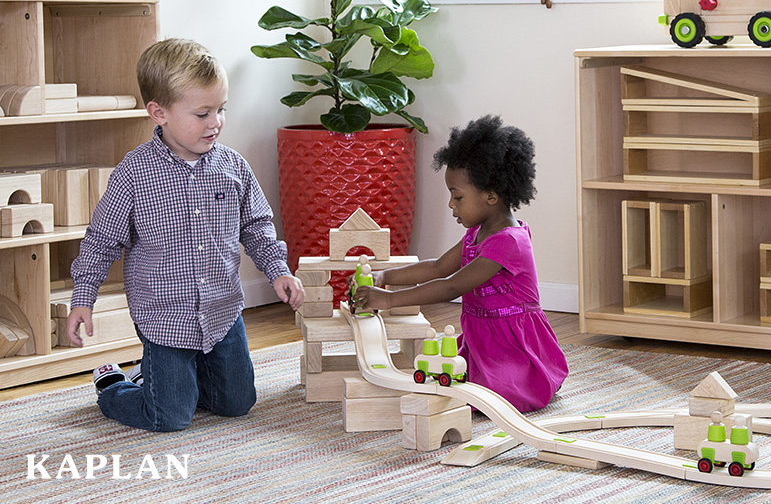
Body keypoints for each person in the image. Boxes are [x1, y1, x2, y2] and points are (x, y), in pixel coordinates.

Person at [67, 38, 305, 432]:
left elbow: (257, 225)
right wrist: (83, 298)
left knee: (237, 404)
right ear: (158, 113)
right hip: (165, 317)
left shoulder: (233, 167)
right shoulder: (134, 174)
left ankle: (168, 380)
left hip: (222, 311)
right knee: (169, 416)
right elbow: (101, 241)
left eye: (220, 109)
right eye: (202, 113)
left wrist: (277, 270)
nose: (216, 122)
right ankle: (115, 384)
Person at [351, 115, 568, 412]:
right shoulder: (476, 233)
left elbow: (450, 285)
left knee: (487, 396)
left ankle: (528, 377)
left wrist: (389, 300)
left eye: (458, 197)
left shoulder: (509, 242)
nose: (451, 205)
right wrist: (385, 275)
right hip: (482, 339)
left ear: (491, 195)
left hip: (512, 345)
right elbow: (439, 267)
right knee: (448, 378)